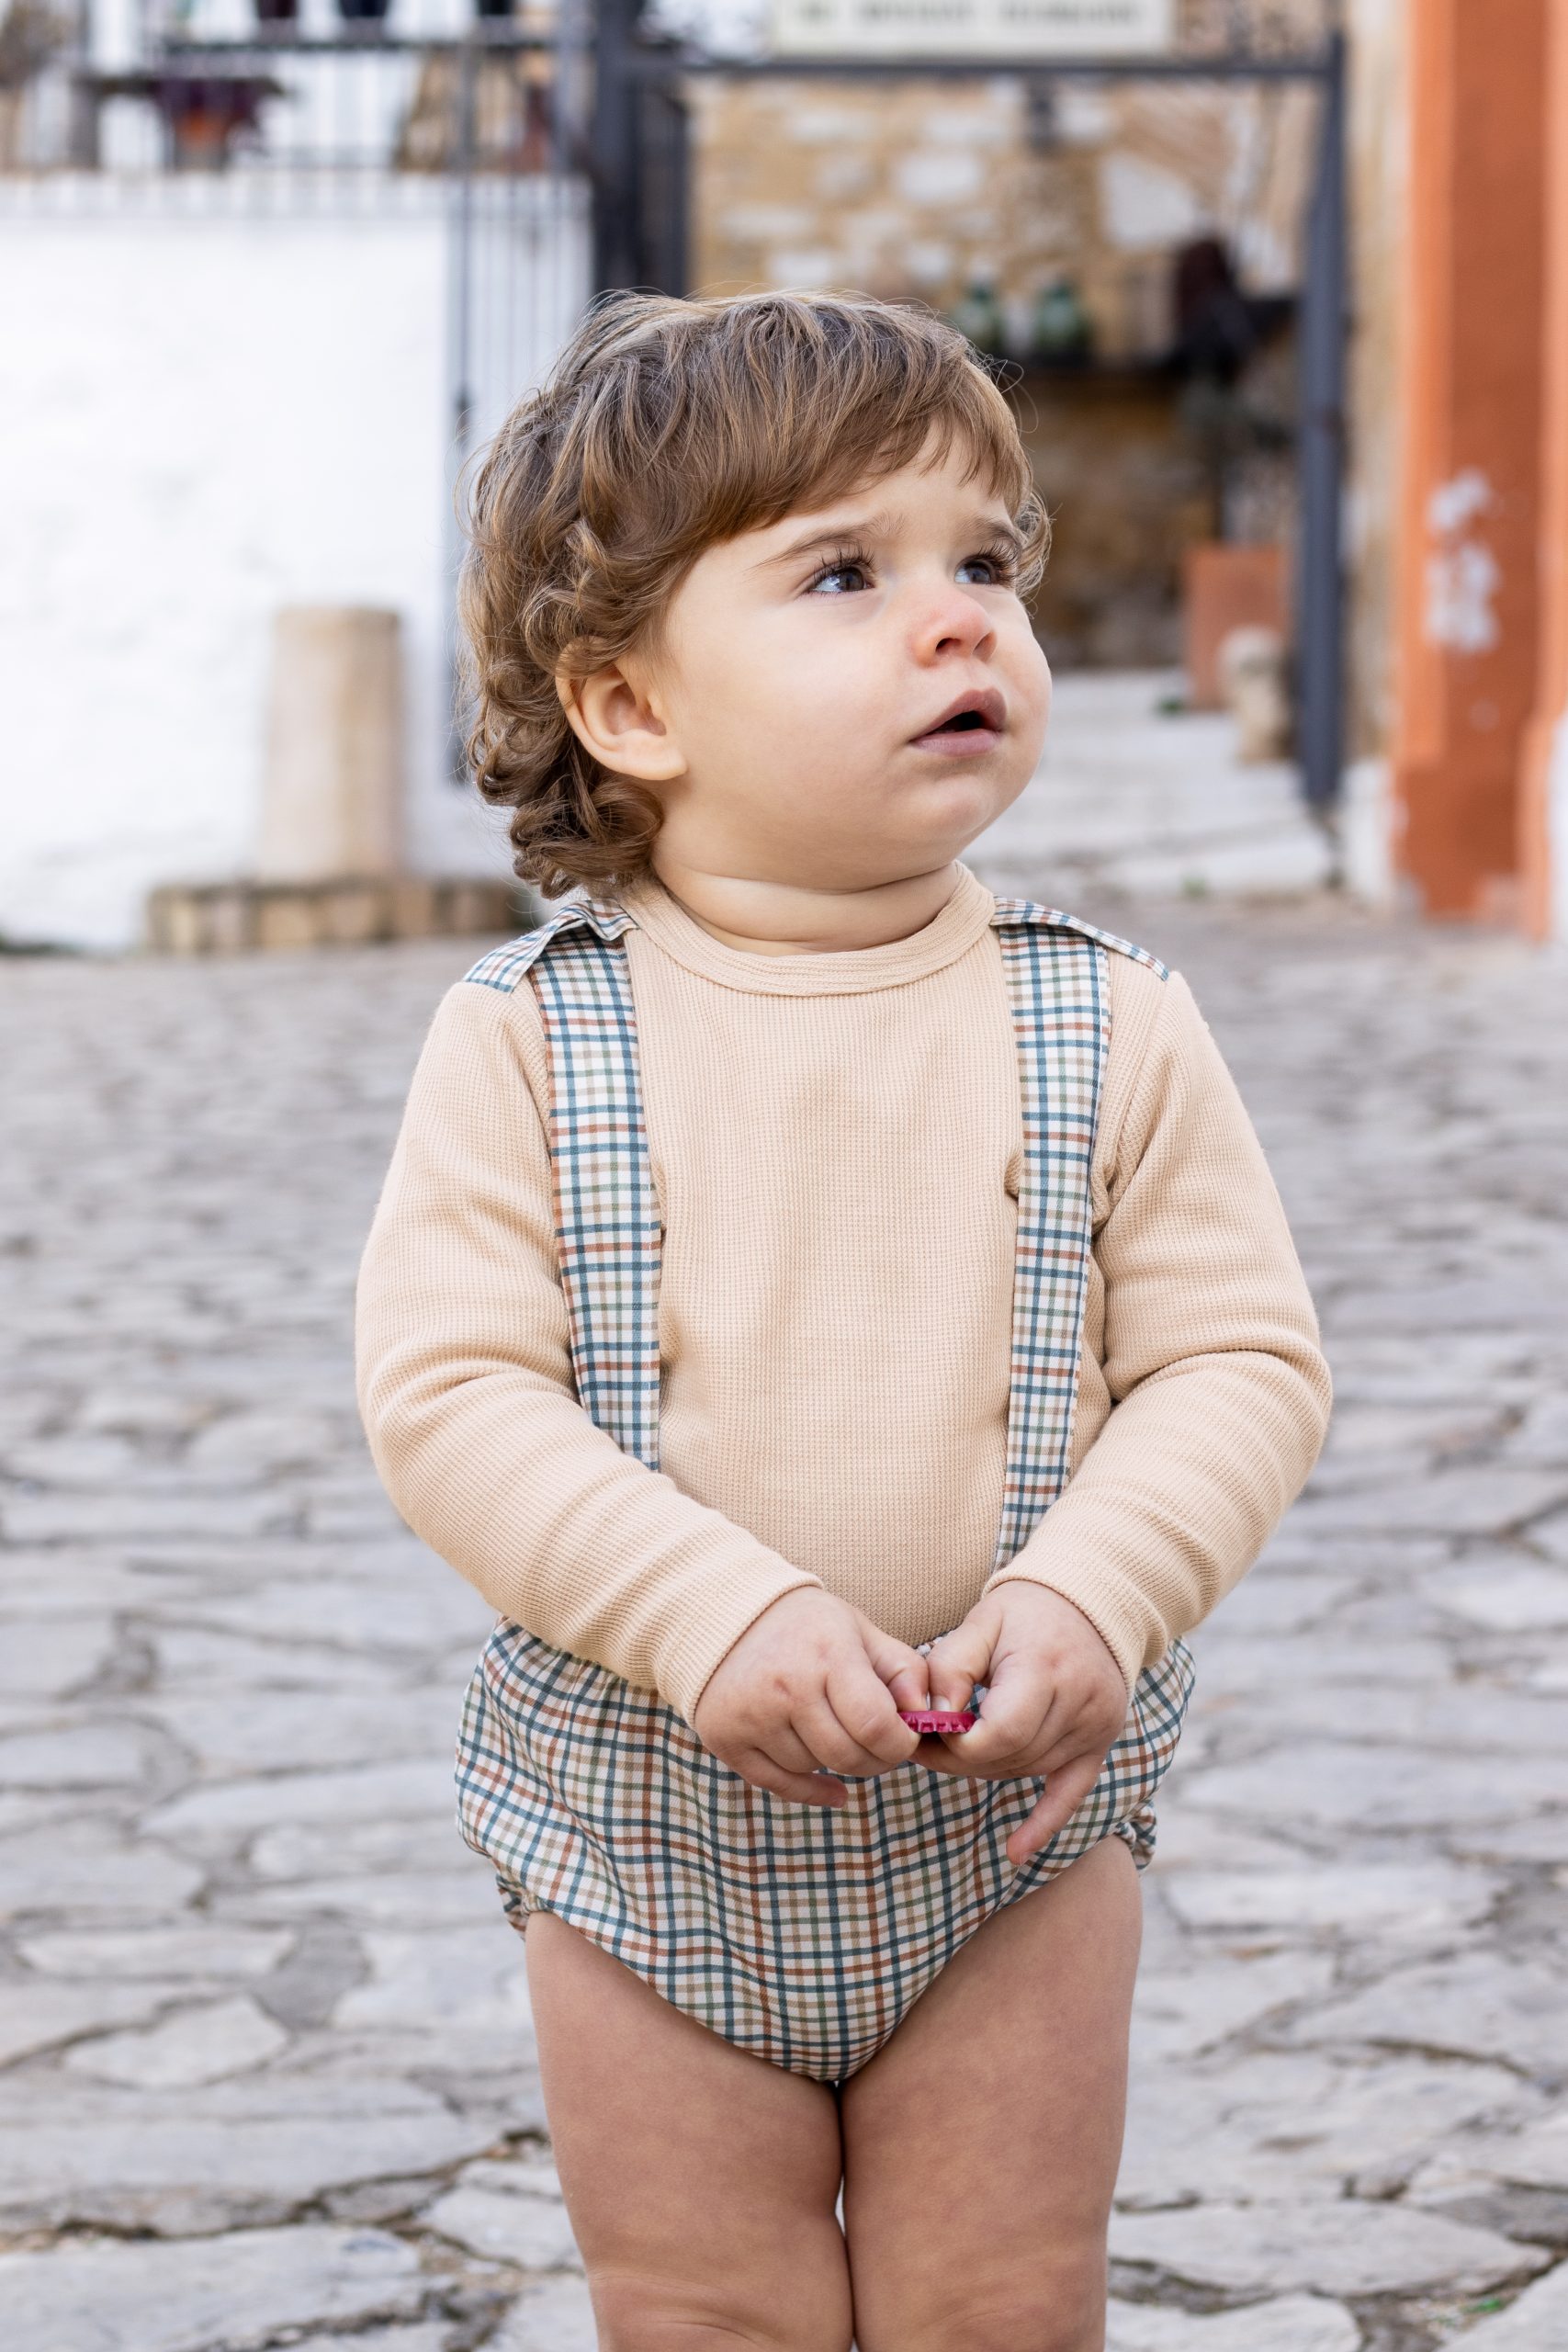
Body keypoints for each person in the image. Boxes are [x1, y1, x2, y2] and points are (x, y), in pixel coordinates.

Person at [355, 289, 1331, 2352]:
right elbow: (449, 1394)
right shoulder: (530, 1042)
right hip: (638, 1835)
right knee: (706, 2299)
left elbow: (1235, 1361)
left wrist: (1097, 1586)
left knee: (998, 2297)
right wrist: (699, 1606)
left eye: (986, 562)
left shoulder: (1108, 1023)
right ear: (627, 700)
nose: (958, 617)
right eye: (844, 572)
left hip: (1010, 1832)